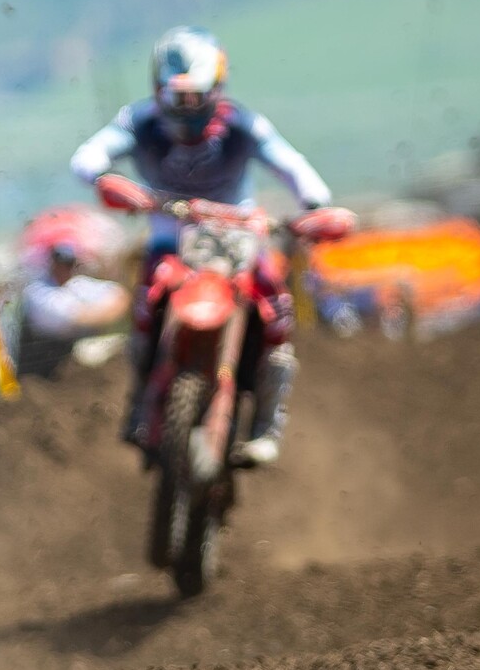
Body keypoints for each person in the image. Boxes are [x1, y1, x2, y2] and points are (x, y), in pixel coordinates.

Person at [70, 26, 332, 468]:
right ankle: (142, 402)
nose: (184, 108)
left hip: (238, 237)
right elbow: (87, 159)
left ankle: (268, 423)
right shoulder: (138, 121)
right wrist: (109, 181)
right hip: (171, 238)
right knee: (146, 306)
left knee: (276, 309)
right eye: (175, 97)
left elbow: (292, 165)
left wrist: (314, 205)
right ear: (158, 90)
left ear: (216, 88)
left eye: (195, 96)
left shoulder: (242, 125)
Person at [17, 241, 129, 379]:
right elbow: (76, 317)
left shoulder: (76, 285)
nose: (65, 269)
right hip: (38, 373)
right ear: (52, 265)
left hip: (68, 365)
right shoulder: (37, 292)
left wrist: (101, 311)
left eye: (69, 264)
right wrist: (103, 312)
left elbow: (120, 295)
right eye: (61, 264)